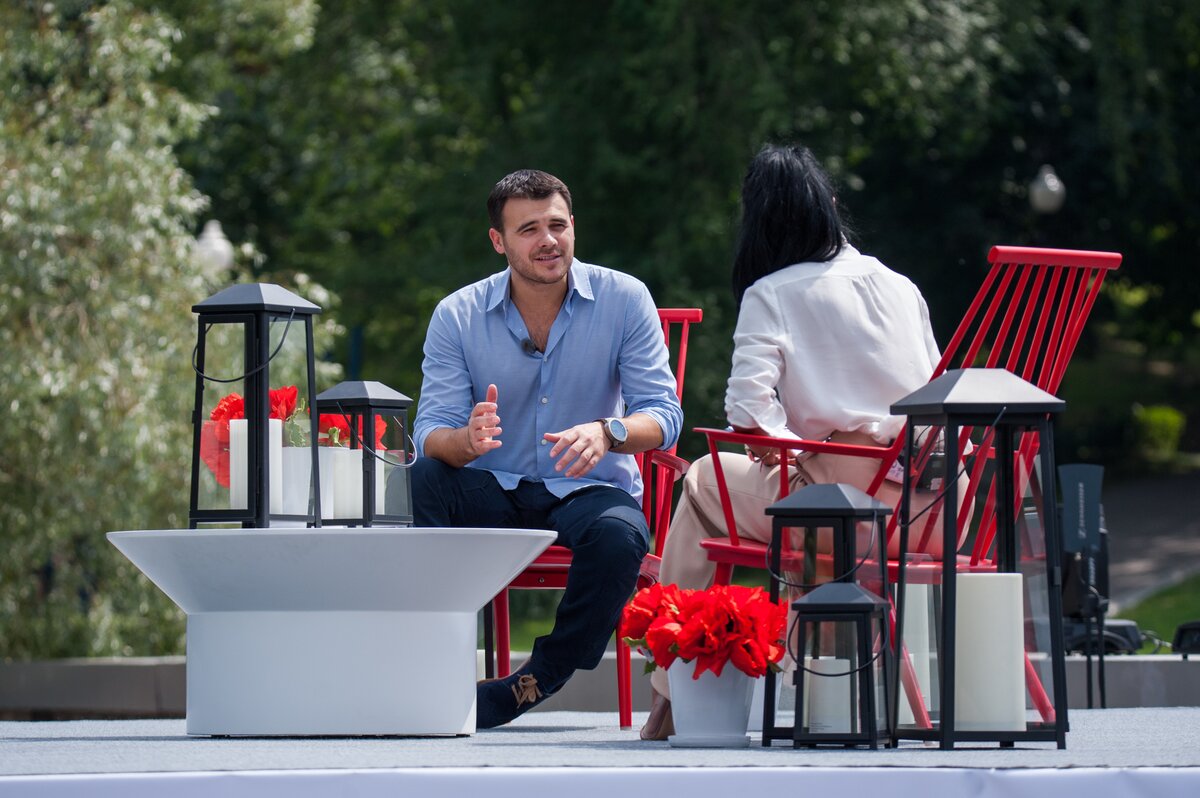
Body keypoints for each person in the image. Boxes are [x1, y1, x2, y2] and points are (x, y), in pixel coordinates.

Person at [640, 143, 962, 741]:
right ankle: (804, 678)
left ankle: (670, 687)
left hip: (847, 517)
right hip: (937, 511)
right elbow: (934, 392)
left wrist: (789, 443)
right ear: (830, 205)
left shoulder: (774, 292)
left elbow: (745, 409)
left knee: (704, 478)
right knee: (795, 487)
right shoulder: (901, 286)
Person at [411, 169, 683, 730]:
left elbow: (665, 413)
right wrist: (464, 441)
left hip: (588, 489)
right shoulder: (457, 314)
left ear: (573, 226)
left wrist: (608, 432)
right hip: (493, 489)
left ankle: (535, 680)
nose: (548, 240)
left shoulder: (625, 298)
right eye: (529, 229)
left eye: (557, 225)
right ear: (498, 241)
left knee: (621, 536)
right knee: (419, 481)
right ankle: (433, 658)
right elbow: (429, 431)